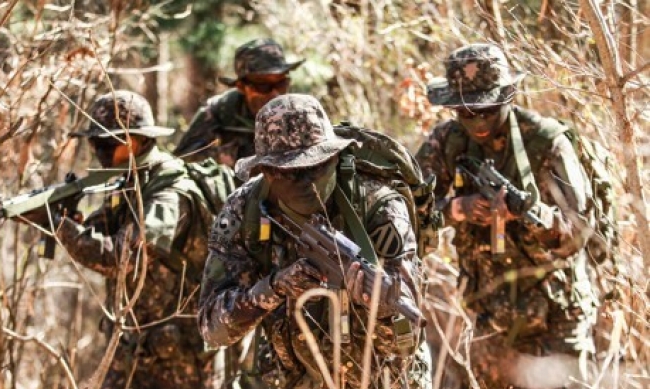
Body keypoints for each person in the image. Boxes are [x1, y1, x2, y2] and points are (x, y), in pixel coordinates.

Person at [198, 94, 432, 389]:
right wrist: (273, 289)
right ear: (267, 172)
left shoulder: (378, 206)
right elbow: (212, 328)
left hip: (384, 379)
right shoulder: (245, 210)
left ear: (335, 157)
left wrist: (380, 310)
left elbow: (406, 341)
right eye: (292, 172)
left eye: (316, 166)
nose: (307, 181)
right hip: (296, 377)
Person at [415, 44, 598, 388]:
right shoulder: (447, 142)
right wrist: (456, 209)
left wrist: (529, 214)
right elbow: (410, 213)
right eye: (466, 112)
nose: (478, 121)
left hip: (556, 313)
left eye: (487, 109)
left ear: (507, 98)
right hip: (491, 315)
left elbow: (580, 230)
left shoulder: (546, 143)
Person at [46, 90, 226, 388]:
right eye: (97, 144)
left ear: (140, 140)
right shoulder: (131, 182)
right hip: (134, 349)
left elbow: (121, 258)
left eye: (110, 143)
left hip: (180, 358)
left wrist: (61, 227)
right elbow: (100, 231)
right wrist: (62, 216)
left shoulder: (169, 193)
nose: (102, 152)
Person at [173, 38, 304, 168]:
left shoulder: (301, 113)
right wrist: (220, 159)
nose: (275, 94)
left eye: (282, 83)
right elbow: (183, 162)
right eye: (263, 85)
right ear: (242, 87)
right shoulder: (220, 111)